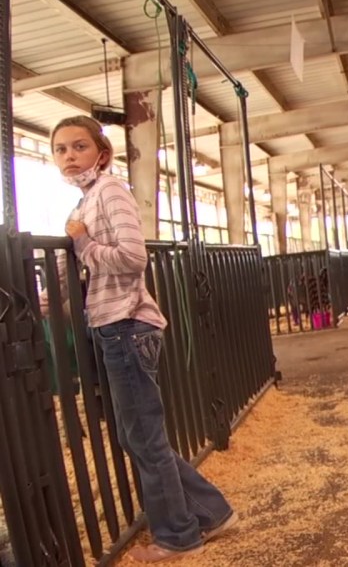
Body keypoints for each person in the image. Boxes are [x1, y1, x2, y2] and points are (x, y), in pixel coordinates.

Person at [50, 117, 238, 562]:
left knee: (144, 438)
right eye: (60, 149)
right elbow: (70, 274)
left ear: (102, 153)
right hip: (112, 325)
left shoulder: (110, 191)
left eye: (79, 146)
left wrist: (84, 248)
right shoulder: (84, 205)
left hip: (126, 324)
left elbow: (133, 259)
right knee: (139, 436)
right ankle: (212, 513)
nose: (69, 156)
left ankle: (178, 535)